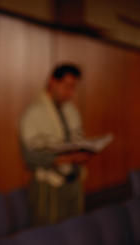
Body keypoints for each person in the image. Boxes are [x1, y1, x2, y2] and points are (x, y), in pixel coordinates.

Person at [19, 64, 94, 225]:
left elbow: (76, 140)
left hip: (73, 180)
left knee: (75, 229)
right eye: (67, 86)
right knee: (50, 233)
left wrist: (83, 153)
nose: (70, 92)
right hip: (49, 186)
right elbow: (30, 156)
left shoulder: (70, 110)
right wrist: (65, 159)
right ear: (53, 82)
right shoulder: (34, 113)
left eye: (73, 87)